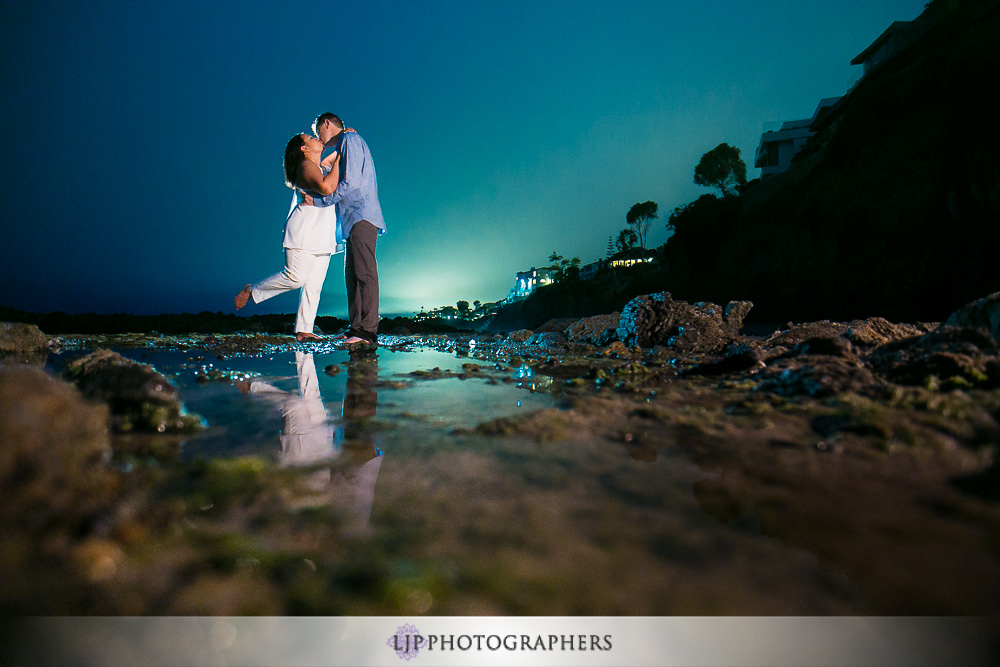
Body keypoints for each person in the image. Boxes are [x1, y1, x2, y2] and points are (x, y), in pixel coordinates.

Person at [233, 133, 343, 342]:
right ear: (303, 148)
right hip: (304, 231)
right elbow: (327, 187)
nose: (316, 138)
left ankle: (304, 330)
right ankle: (252, 290)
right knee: (296, 277)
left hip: (322, 232)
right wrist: (338, 158)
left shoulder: (319, 166)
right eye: (310, 138)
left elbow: (335, 158)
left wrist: (346, 140)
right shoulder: (306, 166)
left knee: (314, 285)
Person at [307, 112, 386, 346]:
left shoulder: (351, 141)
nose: (317, 137)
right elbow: (324, 165)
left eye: (317, 132)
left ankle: (367, 331)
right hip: (352, 219)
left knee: (365, 273)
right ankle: (356, 327)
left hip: (362, 215)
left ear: (326, 124)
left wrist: (319, 201)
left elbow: (350, 183)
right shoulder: (345, 143)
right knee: (352, 275)